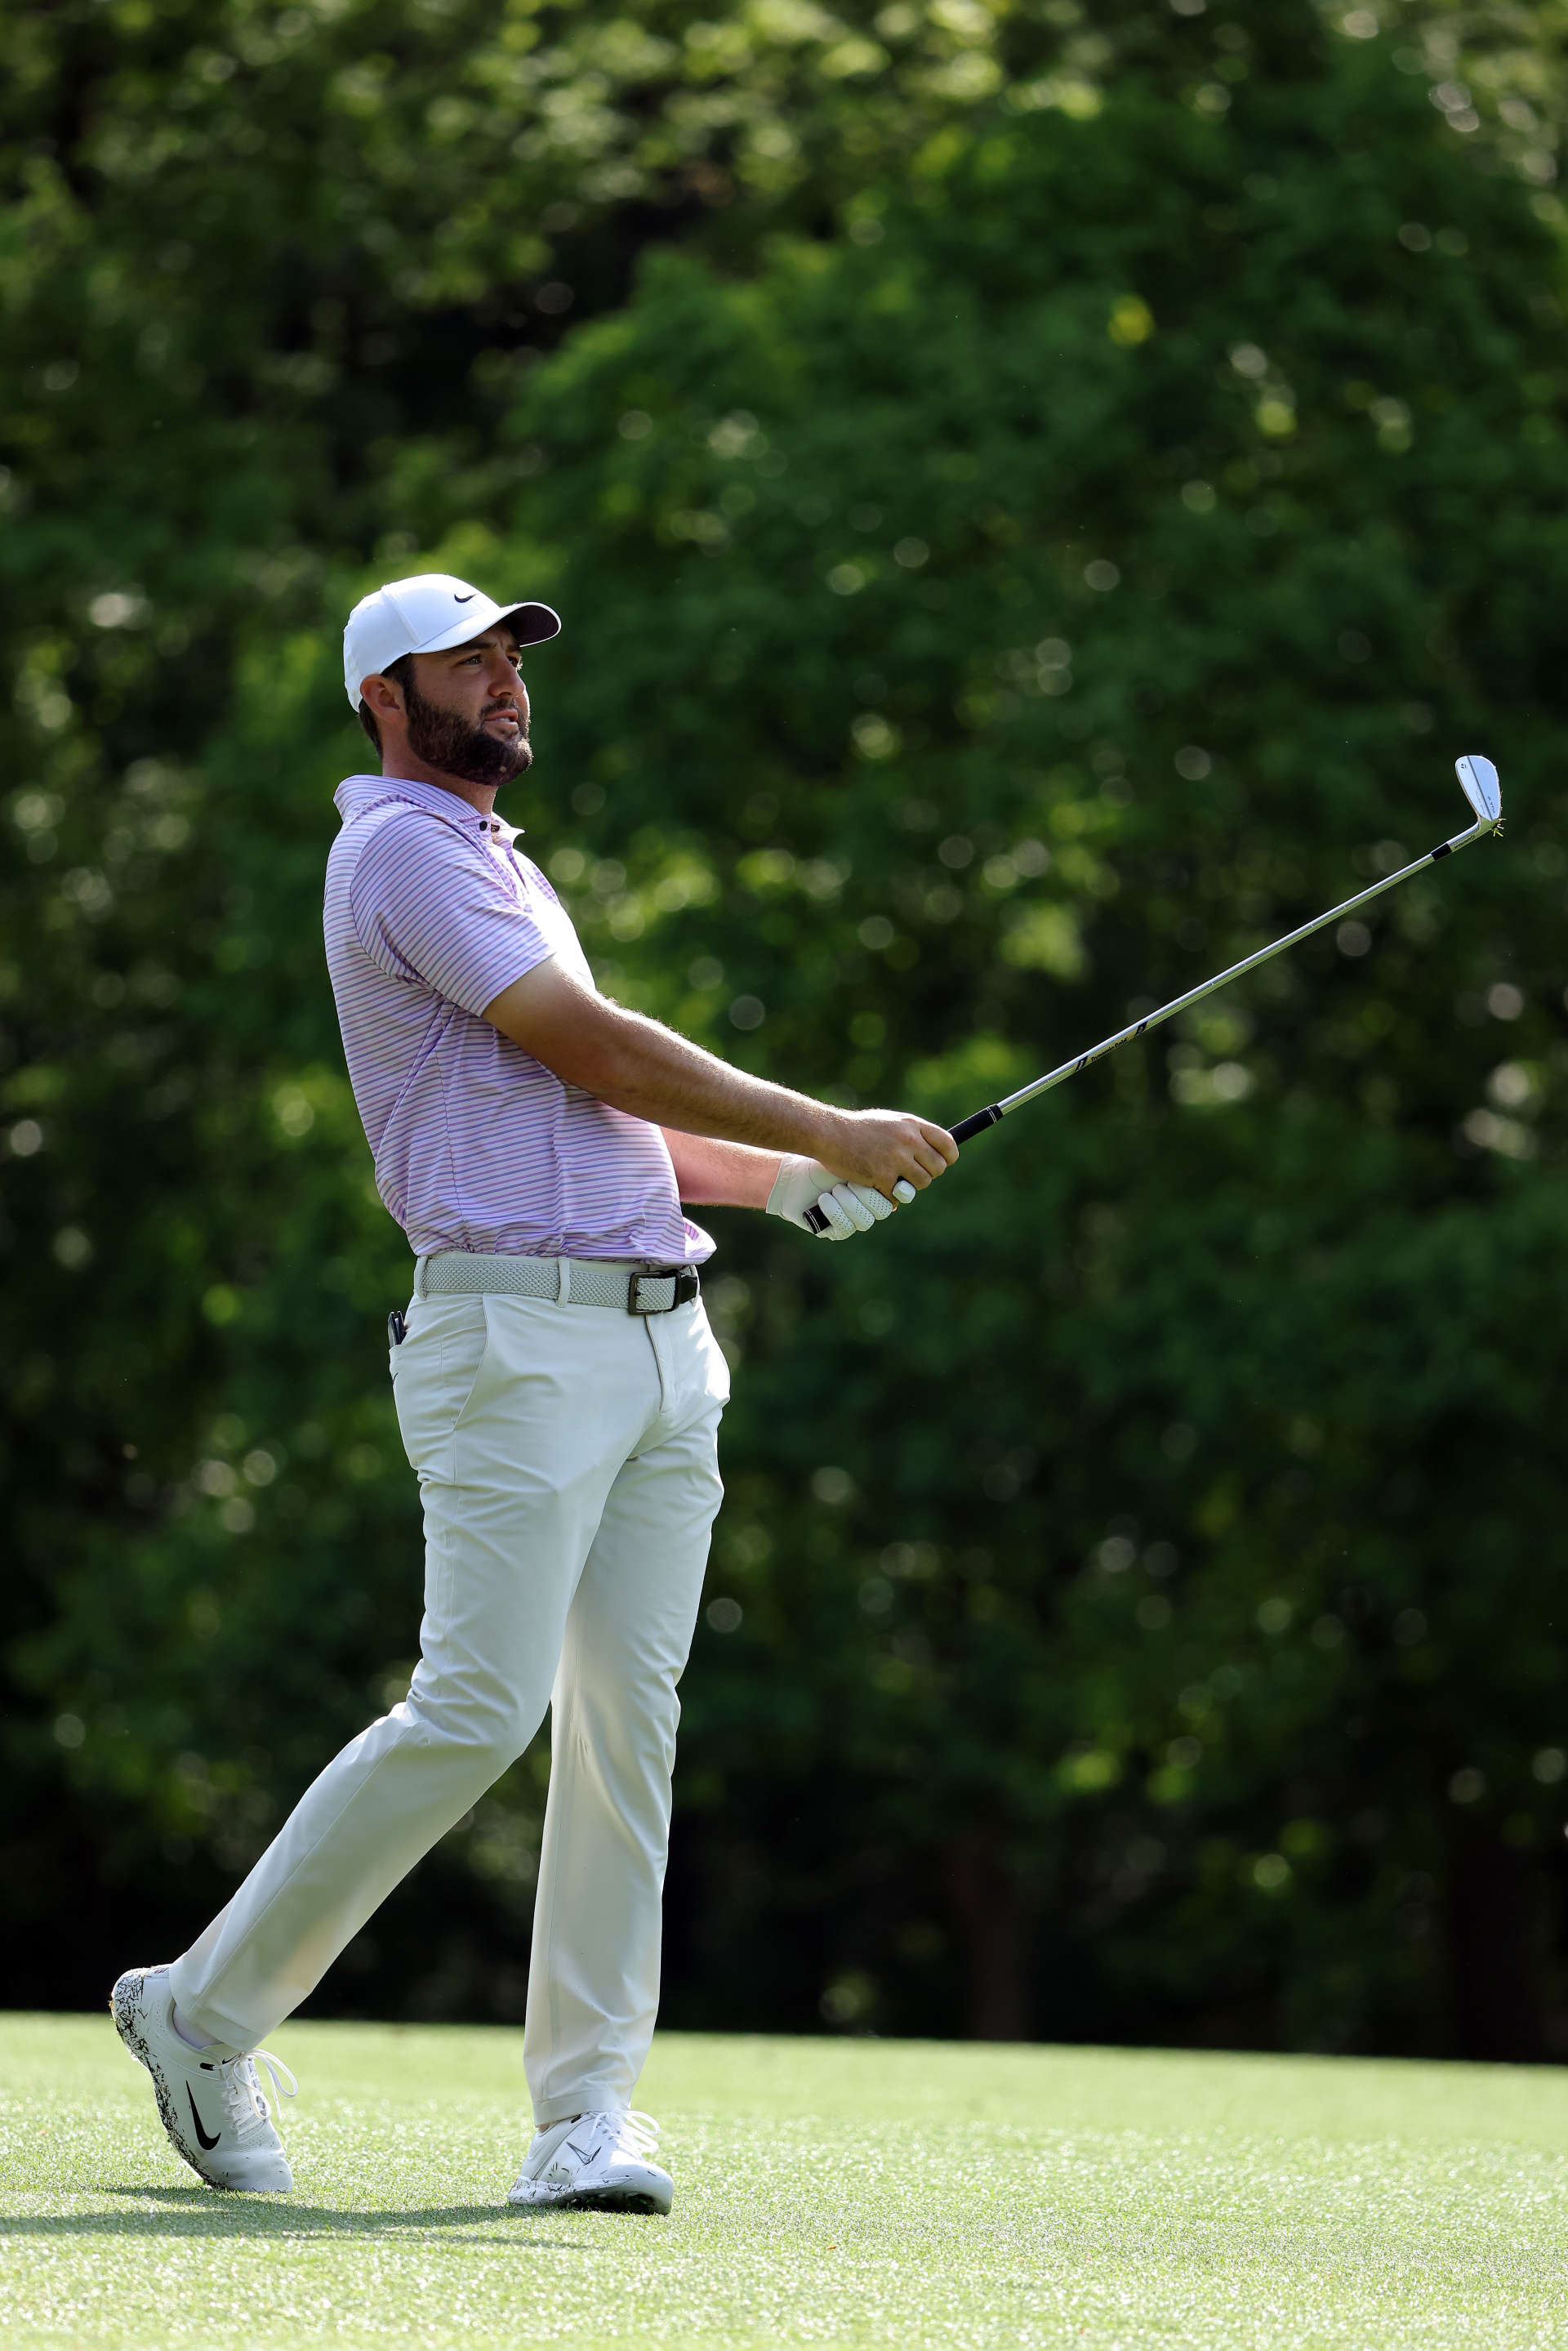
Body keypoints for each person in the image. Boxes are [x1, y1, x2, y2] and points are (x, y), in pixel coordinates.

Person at [111, 572, 956, 2212]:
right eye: (468, 661)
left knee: (630, 1726)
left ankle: (585, 2115)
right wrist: (828, 1123)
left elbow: (600, 1118)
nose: (505, 678)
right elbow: (591, 1043)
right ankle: (199, 2014)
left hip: (659, 1341)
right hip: (513, 1341)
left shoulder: (500, 859)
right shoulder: (402, 850)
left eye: (513, 655)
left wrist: (783, 1181)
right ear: (384, 696)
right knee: (479, 1707)